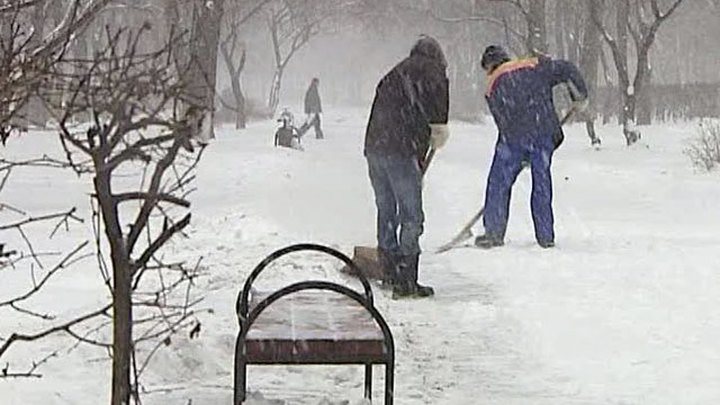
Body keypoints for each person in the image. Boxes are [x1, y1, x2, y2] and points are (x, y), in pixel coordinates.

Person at [474, 45, 588, 249]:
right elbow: (567, 68)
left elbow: (503, 121)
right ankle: (545, 237)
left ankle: (493, 232)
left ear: (490, 65)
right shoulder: (533, 65)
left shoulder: (492, 84)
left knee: (499, 183)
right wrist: (579, 96)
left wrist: (518, 150)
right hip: (543, 132)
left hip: (514, 138)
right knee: (541, 182)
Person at [364, 35, 449, 298]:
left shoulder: (395, 72)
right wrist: (436, 134)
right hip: (401, 150)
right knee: (411, 216)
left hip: (375, 149)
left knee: (386, 208)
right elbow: (438, 117)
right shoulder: (434, 72)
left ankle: (389, 271)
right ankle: (406, 280)